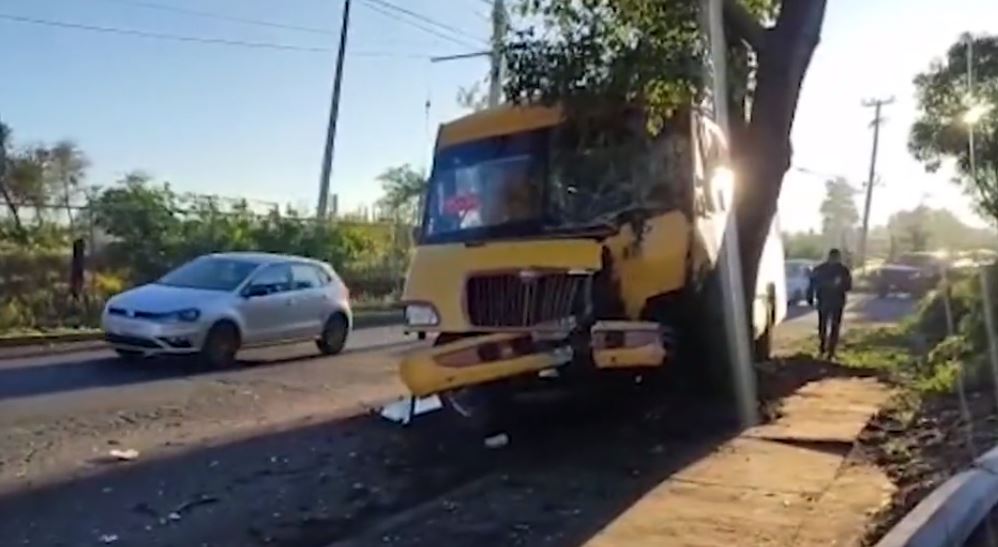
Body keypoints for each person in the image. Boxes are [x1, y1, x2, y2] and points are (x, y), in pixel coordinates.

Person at [807, 249, 853, 358]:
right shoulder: (840, 270)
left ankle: (829, 350)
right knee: (825, 326)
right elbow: (812, 283)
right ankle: (825, 349)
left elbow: (848, 286)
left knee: (831, 326)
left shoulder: (840, 270)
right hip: (828, 300)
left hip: (833, 301)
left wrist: (810, 296)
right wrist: (810, 296)